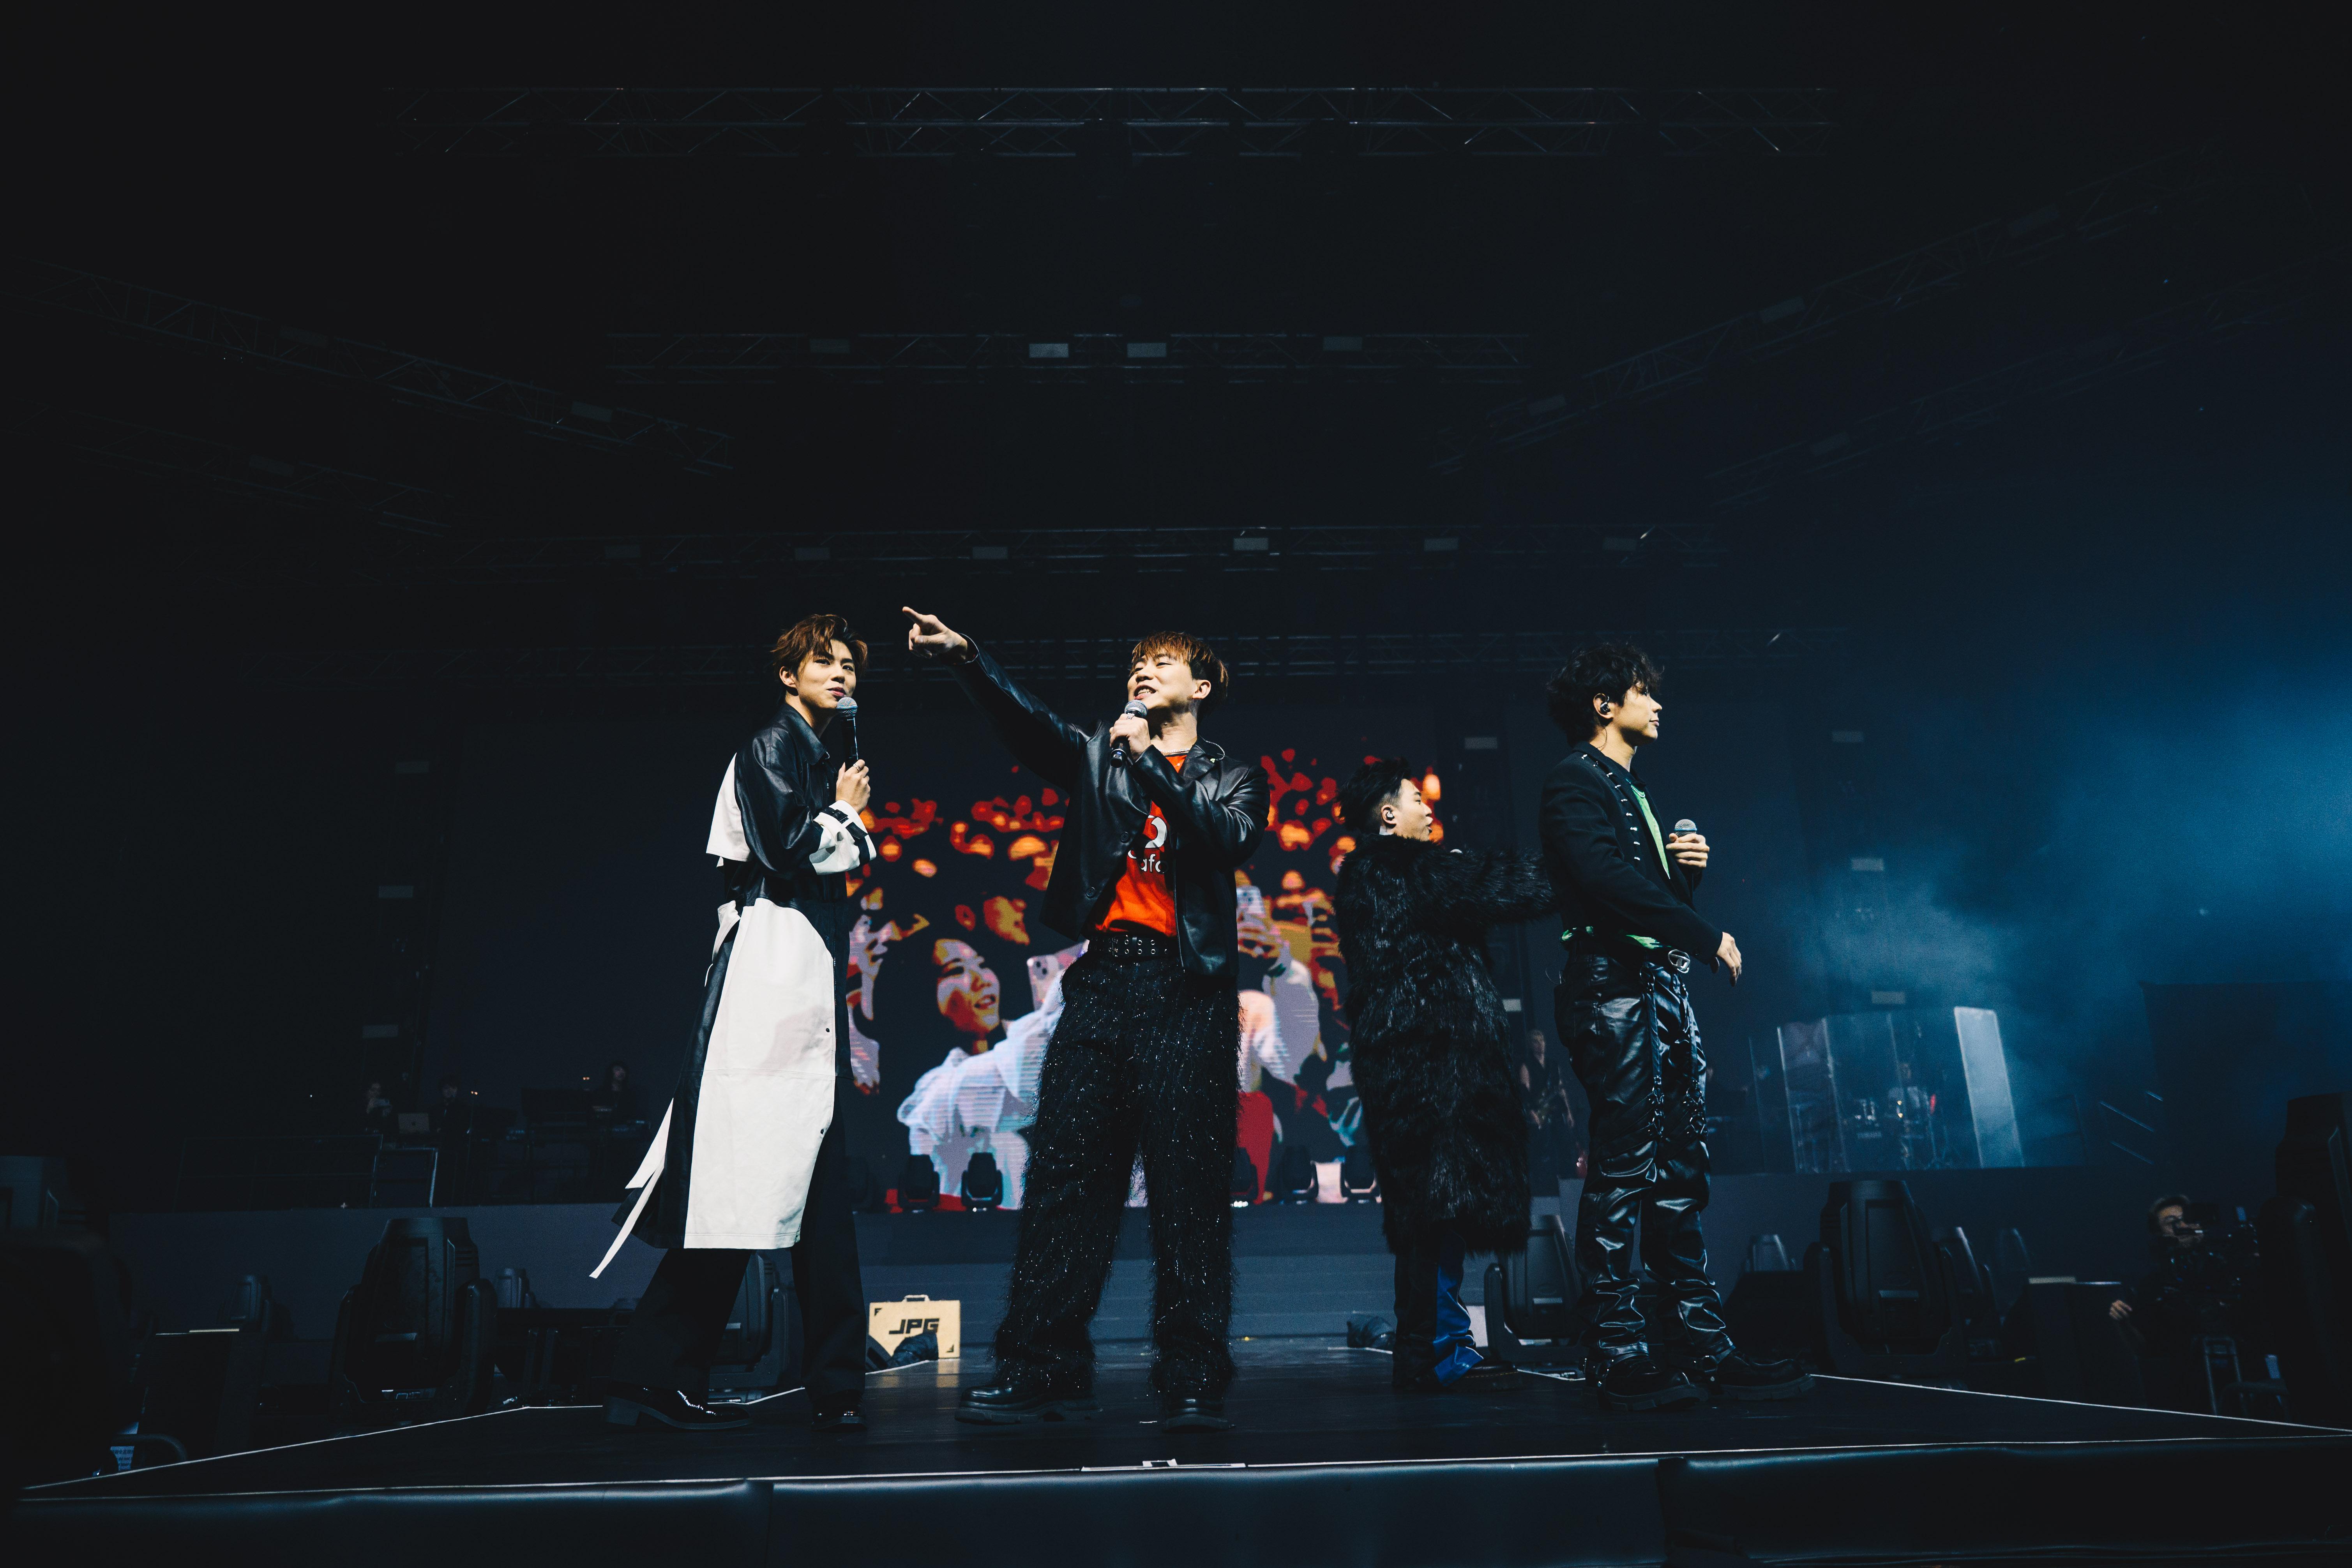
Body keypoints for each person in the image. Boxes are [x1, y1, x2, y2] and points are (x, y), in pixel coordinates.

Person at [905, 607, 1266, 1432]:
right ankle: (1044, 1365)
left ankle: (1192, 1371)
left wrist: (1153, 767)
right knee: (1067, 1181)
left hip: (1189, 990)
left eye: (1163, 663)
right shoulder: (1101, 755)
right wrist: (969, 657)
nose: (1143, 672)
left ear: (1200, 687)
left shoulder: (1234, 778)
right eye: (1137, 662)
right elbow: (1029, 726)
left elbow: (1225, 840)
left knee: (1189, 1193)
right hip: (1103, 980)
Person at [594, 613, 880, 1434]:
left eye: (849, 663)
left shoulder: (816, 753)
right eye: (824, 661)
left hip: (801, 979)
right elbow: (788, 848)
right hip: (765, 976)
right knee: (740, 1182)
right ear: (788, 674)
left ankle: (831, 1383)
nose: (841, 672)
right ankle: (659, 1372)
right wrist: (847, 813)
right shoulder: (772, 746)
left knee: (814, 1189)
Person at [1540, 643, 1808, 1411]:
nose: (1657, 703)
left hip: (1655, 988)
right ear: (1604, 704)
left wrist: (1681, 879)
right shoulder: (1574, 780)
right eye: (1641, 691)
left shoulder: (1631, 789)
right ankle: (1616, 1348)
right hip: (1612, 989)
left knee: (1678, 1171)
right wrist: (1704, 929)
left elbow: (1638, 896)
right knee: (1626, 1166)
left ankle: (1701, 1342)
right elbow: (1602, 882)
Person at [1333, 758, 1556, 1391]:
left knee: (1430, 1213)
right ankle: (1433, 1351)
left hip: (1414, 1068)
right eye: (1415, 798)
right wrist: (1591, 863)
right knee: (1432, 1212)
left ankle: (1439, 1346)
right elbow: (1508, 885)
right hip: (1428, 1070)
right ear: (1387, 814)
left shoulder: (1375, 877)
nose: (1429, 806)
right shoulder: (1402, 867)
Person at [1520, 1029, 1578, 1194]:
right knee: (1543, 1149)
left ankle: (1567, 1181)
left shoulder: (1553, 1065)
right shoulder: (1527, 1065)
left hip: (1556, 1111)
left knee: (1564, 1143)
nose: (1540, 1045)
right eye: (1536, 1042)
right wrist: (1532, 1113)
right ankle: (1545, 1186)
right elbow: (1525, 1091)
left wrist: (1568, 1112)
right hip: (1539, 1112)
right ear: (1531, 1045)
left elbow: (1561, 1090)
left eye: (1542, 1041)